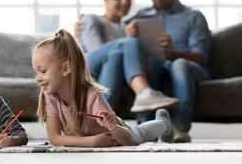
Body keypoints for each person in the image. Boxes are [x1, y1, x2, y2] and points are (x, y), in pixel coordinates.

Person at [32, 29, 174, 147]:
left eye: (43, 71)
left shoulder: (92, 97)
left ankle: (163, 123)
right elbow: (55, 138)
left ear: (66, 68)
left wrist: (114, 128)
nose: (37, 78)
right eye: (36, 72)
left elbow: (127, 138)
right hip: (93, 138)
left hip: (118, 132)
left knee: (139, 135)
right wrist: (91, 142)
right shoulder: (50, 96)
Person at [122, 0, 212, 142]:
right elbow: (111, 33)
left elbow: (200, 58)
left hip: (189, 69)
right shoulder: (138, 18)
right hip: (156, 69)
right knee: (151, 64)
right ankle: (145, 128)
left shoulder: (193, 17)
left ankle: (179, 127)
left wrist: (173, 53)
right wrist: (126, 35)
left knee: (179, 64)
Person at [75, 0, 179, 114]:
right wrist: (127, 39)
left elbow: (119, 60)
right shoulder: (91, 19)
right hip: (86, 67)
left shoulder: (128, 25)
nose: (124, 2)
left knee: (117, 56)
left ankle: (101, 116)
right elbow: (98, 52)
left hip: (109, 72)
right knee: (125, 45)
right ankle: (144, 92)